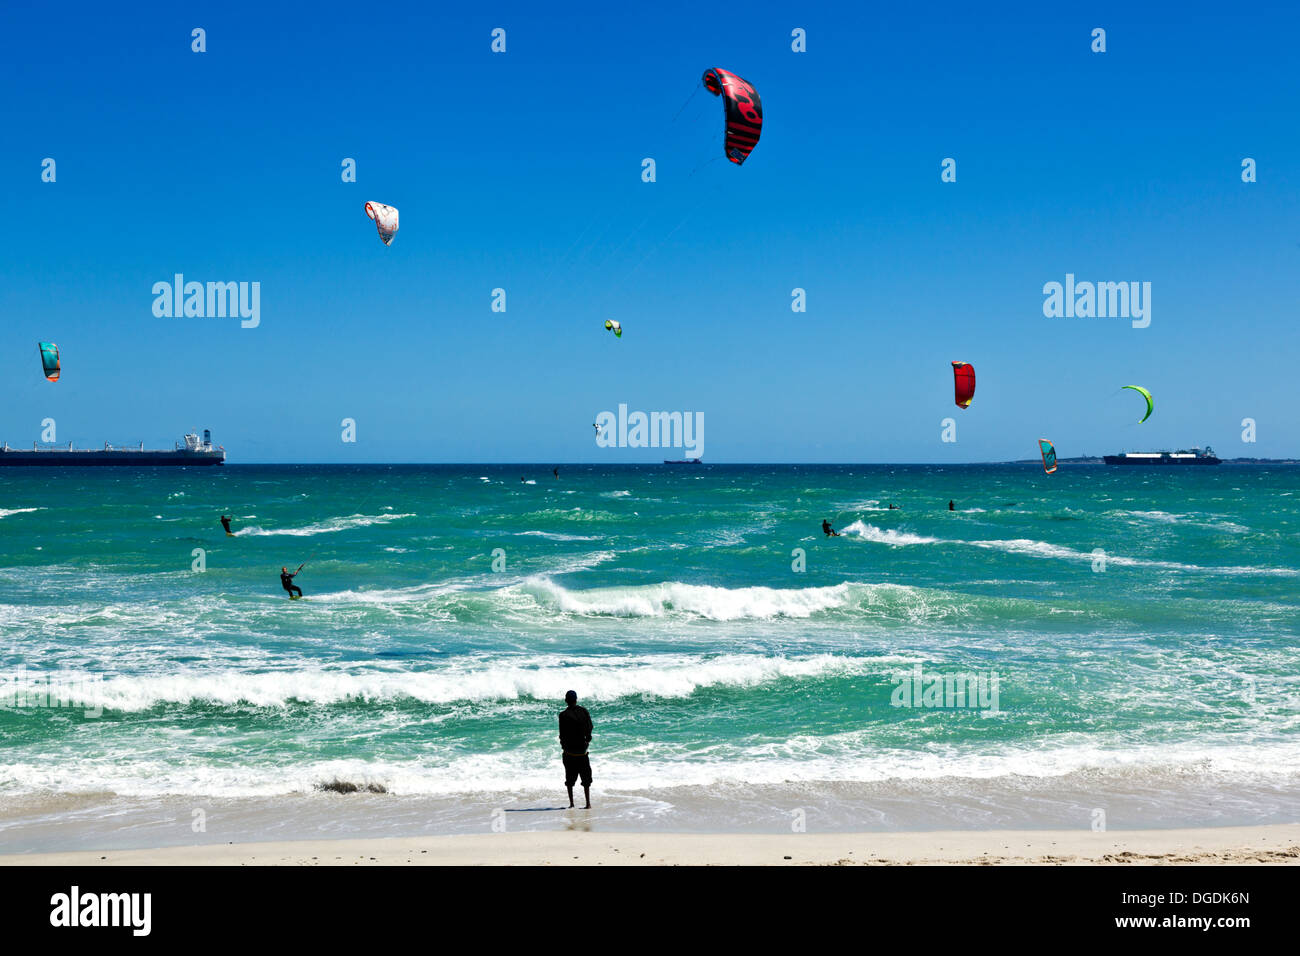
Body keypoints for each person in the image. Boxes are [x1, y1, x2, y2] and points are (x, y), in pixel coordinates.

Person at [558, 690, 593, 809]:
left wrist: (564, 746)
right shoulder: (584, 711)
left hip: (569, 753)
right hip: (582, 752)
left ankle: (572, 803)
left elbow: (562, 734)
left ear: (566, 700)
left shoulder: (563, 715)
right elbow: (590, 728)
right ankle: (588, 803)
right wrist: (587, 741)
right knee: (586, 780)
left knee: (569, 779)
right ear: (576, 699)